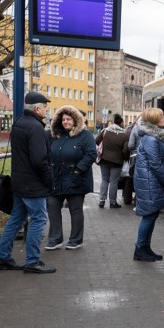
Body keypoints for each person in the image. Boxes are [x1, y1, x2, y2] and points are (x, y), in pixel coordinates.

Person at [0, 91, 55, 274]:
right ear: (37, 109)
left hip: (19, 184)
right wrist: (49, 181)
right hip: (33, 185)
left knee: (16, 219)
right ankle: (32, 261)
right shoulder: (35, 128)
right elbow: (39, 160)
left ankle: (3, 257)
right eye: (45, 107)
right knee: (38, 219)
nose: (46, 110)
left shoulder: (19, 123)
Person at [45, 105, 97, 251]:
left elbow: (91, 154)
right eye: (63, 119)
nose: (65, 122)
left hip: (76, 178)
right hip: (56, 178)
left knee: (75, 210)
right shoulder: (54, 135)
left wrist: (78, 170)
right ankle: (55, 238)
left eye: (68, 119)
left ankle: (76, 239)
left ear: (75, 120)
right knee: (53, 207)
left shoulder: (85, 135)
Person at [132, 108, 164, 262]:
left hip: (150, 181)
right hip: (149, 182)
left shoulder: (155, 136)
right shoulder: (151, 139)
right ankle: (140, 249)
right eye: (162, 117)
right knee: (148, 216)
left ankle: (146, 248)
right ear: (155, 121)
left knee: (152, 215)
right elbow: (155, 164)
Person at [95, 113, 130, 208]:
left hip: (104, 159)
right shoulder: (125, 135)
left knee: (104, 179)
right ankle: (112, 202)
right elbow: (126, 150)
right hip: (117, 162)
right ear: (121, 123)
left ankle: (101, 200)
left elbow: (97, 141)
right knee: (114, 181)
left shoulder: (105, 131)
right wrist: (125, 159)